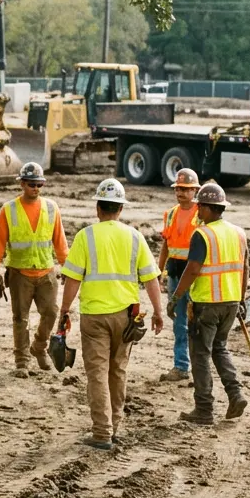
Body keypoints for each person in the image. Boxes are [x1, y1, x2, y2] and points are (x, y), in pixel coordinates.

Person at [58, 178, 165, 450]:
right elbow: (152, 279)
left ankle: (102, 432)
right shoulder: (134, 237)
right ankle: (113, 426)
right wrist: (158, 312)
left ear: (98, 208)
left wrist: (64, 310)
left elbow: (72, 279)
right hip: (127, 318)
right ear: (121, 208)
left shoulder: (86, 236)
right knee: (118, 371)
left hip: (94, 317)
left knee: (97, 373)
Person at [168, 183, 249, 424]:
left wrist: (175, 298)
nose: (197, 211)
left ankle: (204, 409)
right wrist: (242, 299)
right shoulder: (238, 232)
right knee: (220, 348)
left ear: (207, 207)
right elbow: (244, 268)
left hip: (207, 304)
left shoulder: (202, 234)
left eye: (199, 207)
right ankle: (236, 395)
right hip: (231, 302)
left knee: (201, 354)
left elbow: (192, 269)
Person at [0, 162, 68, 376]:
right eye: (32, 184)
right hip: (19, 273)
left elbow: (60, 241)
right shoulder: (9, 210)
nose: (36, 188)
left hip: (46, 271)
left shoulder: (52, 208)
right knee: (20, 318)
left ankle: (39, 347)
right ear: (22, 184)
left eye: (39, 184)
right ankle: (22, 361)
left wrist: (67, 268)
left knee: (51, 313)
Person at [157, 168, 201, 382]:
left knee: (198, 322)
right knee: (179, 320)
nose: (181, 193)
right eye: (178, 189)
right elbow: (166, 244)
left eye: (185, 189)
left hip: (196, 275)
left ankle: (200, 367)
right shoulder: (171, 213)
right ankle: (181, 366)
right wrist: (159, 270)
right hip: (175, 272)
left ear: (195, 190)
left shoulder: (202, 214)